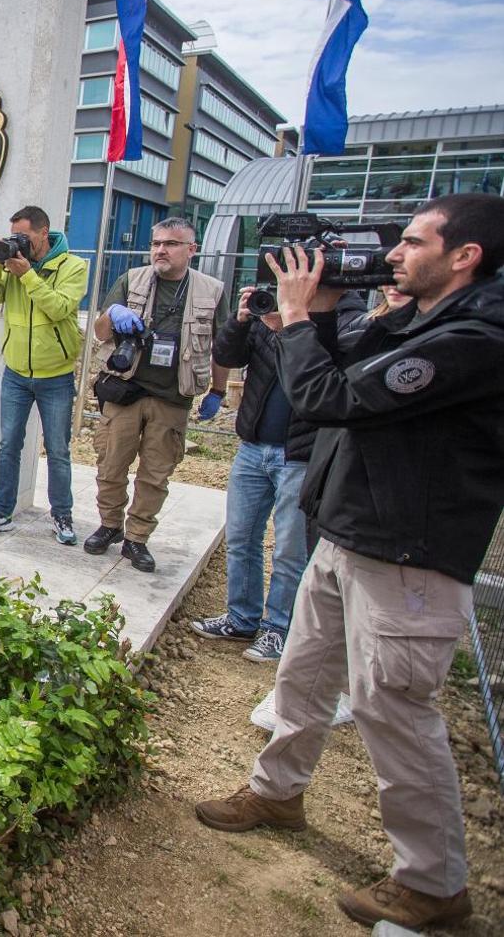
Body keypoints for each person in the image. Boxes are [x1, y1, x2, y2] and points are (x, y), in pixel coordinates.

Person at [194, 193, 504, 931]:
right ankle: (277, 791)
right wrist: (325, 308)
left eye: (411, 243)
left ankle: (432, 882)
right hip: (348, 532)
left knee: (392, 709)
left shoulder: (476, 337)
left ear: (464, 256)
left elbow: (328, 397)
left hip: (408, 556)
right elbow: (348, 362)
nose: (392, 256)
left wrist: (299, 318)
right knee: (302, 676)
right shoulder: (420, 318)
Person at [192, 286, 364, 662]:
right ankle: (242, 618)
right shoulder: (271, 304)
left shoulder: (344, 309)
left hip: (301, 453)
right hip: (253, 446)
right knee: (241, 537)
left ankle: (278, 629)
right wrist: (241, 320)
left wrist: (297, 321)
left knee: (290, 548)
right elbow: (227, 355)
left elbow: (338, 367)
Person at [85, 216, 229, 572]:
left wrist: (218, 390)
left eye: (171, 244)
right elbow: (101, 333)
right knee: (110, 465)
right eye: (156, 243)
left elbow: (222, 346)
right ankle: (109, 525)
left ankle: (137, 538)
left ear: (191, 250)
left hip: (172, 397)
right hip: (125, 390)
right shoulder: (131, 280)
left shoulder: (212, 291)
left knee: (154, 474)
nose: (161, 250)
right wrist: (115, 312)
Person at [0, 205, 89, 545]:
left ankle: (62, 513)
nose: (18, 242)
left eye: (23, 236)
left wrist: (27, 275)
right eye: (14, 236)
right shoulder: (10, 267)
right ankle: (2, 510)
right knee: (9, 444)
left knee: (57, 449)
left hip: (56, 375)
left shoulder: (72, 266)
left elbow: (58, 308)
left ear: (43, 232)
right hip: (16, 373)